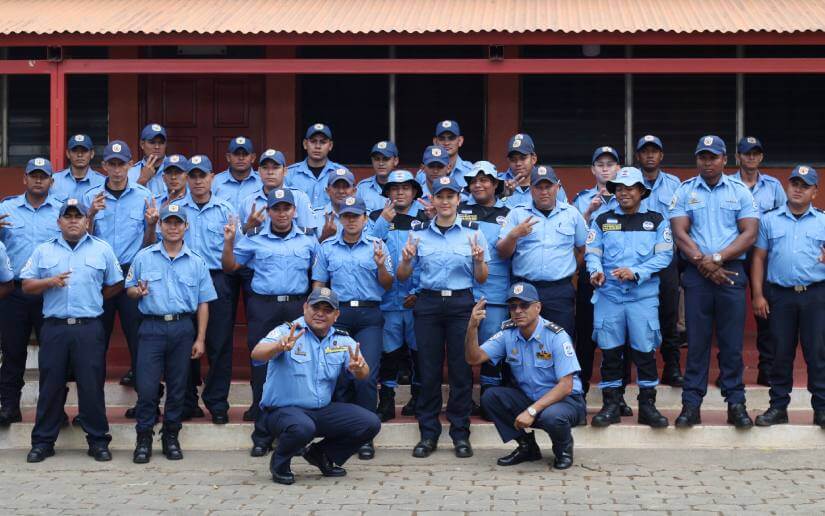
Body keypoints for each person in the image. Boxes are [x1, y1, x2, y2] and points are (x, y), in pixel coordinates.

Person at [21, 198, 123, 462]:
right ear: (59, 222)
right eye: (68, 216)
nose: (74, 221)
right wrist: (49, 281)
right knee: (51, 386)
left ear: (87, 221)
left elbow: (116, 283)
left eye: (78, 216)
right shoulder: (44, 250)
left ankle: (98, 441)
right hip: (54, 328)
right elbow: (26, 285)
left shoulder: (102, 249)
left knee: (91, 386)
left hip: (88, 328)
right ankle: (43, 442)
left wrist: (95, 298)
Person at [396, 175, 489, 459]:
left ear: (459, 200)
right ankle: (428, 433)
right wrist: (406, 260)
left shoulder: (473, 233)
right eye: (440, 196)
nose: (445, 201)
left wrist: (478, 261)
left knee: (461, 370)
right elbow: (403, 276)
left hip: (461, 303)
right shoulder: (419, 234)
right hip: (429, 304)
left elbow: (482, 278)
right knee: (428, 370)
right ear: (432, 200)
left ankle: (460, 433)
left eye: (450, 196)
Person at [670, 135, 759, 429]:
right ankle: (691, 406)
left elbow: (749, 233)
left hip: (730, 272)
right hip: (697, 274)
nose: (707, 162)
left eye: (713, 157)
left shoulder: (739, 191)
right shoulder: (685, 190)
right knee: (696, 344)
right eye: (703, 157)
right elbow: (679, 232)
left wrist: (717, 259)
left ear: (724, 160)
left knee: (731, 345)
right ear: (697, 159)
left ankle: (736, 405)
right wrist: (704, 263)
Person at [251, 287, 380, 485]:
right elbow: (257, 354)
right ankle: (280, 462)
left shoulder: (342, 339)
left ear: (336, 315)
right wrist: (278, 346)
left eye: (327, 310)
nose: (320, 314)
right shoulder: (288, 331)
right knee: (302, 427)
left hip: (320, 410)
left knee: (369, 423)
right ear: (305, 308)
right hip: (282, 412)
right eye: (315, 308)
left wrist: (359, 368)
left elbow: (364, 373)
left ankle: (322, 455)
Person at [222, 188, 320, 438]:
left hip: (296, 306)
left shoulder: (308, 239)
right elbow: (231, 266)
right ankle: (262, 431)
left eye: (286, 208)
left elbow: (319, 273)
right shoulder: (254, 237)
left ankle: (294, 427)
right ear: (269, 211)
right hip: (263, 306)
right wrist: (229, 242)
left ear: (294, 211)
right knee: (261, 364)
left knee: (297, 363)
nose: (281, 213)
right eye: (276, 208)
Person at [126, 203, 217, 463]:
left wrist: (200, 338)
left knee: (178, 387)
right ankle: (144, 437)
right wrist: (137, 292)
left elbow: (204, 302)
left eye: (178, 222)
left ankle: (171, 436)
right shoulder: (144, 257)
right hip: (151, 327)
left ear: (186, 226)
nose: (173, 227)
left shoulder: (196, 261)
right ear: (160, 225)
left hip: (182, 328)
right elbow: (129, 288)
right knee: (147, 387)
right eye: (168, 222)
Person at [585, 167, 673, 427]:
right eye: (619, 188)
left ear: (641, 191)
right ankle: (611, 406)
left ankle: (647, 407)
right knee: (610, 352)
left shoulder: (657, 220)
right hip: (608, 296)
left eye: (630, 188)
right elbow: (592, 252)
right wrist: (595, 271)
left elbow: (664, 256)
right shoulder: (602, 219)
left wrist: (636, 272)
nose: (623, 193)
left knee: (645, 352)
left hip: (642, 297)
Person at [466, 282, 585, 470]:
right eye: (513, 306)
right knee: (490, 397)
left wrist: (532, 411)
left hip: (565, 401)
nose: (518, 311)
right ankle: (527, 447)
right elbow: (474, 358)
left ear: (538, 307)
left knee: (552, 416)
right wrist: (472, 327)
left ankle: (563, 449)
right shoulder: (508, 333)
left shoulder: (556, 336)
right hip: (531, 398)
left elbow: (566, 386)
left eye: (524, 305)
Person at [312, 196, 392, 460]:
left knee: (366, 374)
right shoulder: (327, 247)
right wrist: (315, 315)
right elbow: (319, 284)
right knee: (338, 376)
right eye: (346, 216)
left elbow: (388, 283)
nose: (351, 220)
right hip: (339, 314)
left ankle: (365, 435)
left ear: (365, 219)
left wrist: (380, 266)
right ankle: (340, 434)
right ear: (339, 218)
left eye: (356, 216)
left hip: (369, 314)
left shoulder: (377, 245)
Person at [83, 140, 158, 403]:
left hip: (130, 273)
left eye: (121, 164)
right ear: (104, 166)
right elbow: (81, 241)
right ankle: (92, 407)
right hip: (100, 276)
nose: (117, 170)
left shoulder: (144, 196)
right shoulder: (91, 197)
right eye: (112, 164)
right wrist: (90, 214)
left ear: (130, 165)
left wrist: (151, 225)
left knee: (139, 341)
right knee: (95, 342)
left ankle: (145, 405)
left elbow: (150, 244)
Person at [751, 166, 825, 427]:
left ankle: (822, 408)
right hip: (780, 296)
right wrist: (758, 295)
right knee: (780, 353)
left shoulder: (823, 221)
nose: (798, 189)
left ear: (814, 192)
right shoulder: (769, 220)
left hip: (815, 295)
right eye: (794, 184)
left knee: (817, 353)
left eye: (805, 186)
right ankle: (778, 407)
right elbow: (758, 258)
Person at [172, 155, 238, 424]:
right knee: (183, 341)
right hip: (182, 278)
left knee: (219, 343)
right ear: (187, 178)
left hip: (217, 278)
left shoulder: (226, 209)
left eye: (203, 175)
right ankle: (187, 401)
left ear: (212, 177)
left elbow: (236, 251)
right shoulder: (176, 209)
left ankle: (217, 402)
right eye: (193, 176)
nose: (198, 181)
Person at [0, 158, 62, 426]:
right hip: (15, 292)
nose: (38, 180)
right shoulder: (6, 208)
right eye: (33, 175)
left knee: (54, 355)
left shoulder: (62, 211)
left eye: (43, 176)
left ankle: (54, 411)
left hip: (49, 292)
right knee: (12, 351)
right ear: (24, 178)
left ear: (51, 181)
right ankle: (9, 406)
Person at [368, 170, 428, 422]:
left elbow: (430, 258)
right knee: (389, 354)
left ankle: (418, 398)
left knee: (419, 354)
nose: (400, 192)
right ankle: (387, 401)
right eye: (395, 188)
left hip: (416, 301)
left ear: (414, 191)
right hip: (388, 301)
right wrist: (383, 221)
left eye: (405, 188)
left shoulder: (425, 217)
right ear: (388, 192)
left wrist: (417, 291)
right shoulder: (375, 217)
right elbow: (368, 248)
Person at [498, 166, 586, 337]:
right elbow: (502, 253)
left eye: (548, 186)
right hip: (524, 289)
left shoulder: (572, 214)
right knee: (521, 341)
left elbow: (583, 249)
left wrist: (570, 271)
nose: (544, 192)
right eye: (539, 187)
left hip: (559, 291)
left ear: (558, 187)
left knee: (561, 340)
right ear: (531, 189)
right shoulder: (517, 214)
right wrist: (514, 235)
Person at [732, 136, 787, 386]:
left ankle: (767, 368)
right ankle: (730, 370)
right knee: (731, 315)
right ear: (738, 157)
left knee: (766, 312)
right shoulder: (728, 184)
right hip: (734, 255)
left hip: (764, 256)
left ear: (761, 157)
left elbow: (783, 217)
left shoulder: (773, 186)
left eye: (755, 153)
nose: (751, 157)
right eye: (747, 153)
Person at [572, 146, 624, 401]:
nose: (605, 169)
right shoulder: (582, 199)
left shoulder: (628, 196)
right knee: (585, 332)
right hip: (589, 273)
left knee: (619, 334)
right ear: (593, 169)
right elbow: (573, 239)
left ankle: (618, 395)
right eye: (600, 164)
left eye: (610, 164)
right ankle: (579, 390)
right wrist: (588, 212)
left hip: (619, 272)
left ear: (618, 169)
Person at [458, 161, 511, 414]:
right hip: (463, 291)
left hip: (496, 294)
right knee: (462, 348)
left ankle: (490, 402)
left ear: (495, 184)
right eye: (474, 181)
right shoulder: (459, 211)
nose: (478, 185)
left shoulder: (509, 213)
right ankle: (463, 400)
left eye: (484, 180)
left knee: (493, 350)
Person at [636, 135, 684, 387]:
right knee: (639, 315)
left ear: (661, 155)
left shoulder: (675, 184)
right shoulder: (630, 181)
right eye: (645, 151)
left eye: (654, 151)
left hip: (665, 259)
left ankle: (672, 367)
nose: (650, 155)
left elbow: (682, 219)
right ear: (638, 156)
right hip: (637, 260)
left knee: (669, 314)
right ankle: (644, 369)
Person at [238, 149, 316, 236]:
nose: (270, 172)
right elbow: (238, 238)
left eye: (275, 168)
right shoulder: (248, 202)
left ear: (285, 171)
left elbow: (309, 236)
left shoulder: (299, 198)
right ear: (259, 171)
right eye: (265, 168)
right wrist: (248, 227)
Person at [499, 133, 567, 208]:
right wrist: (501, 195)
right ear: (508, 161)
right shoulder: (497, 182)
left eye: (523, 158)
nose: (518, 163)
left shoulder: (551, 183)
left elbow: (565, 212)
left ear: (533, 158)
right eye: (513, 159)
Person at [285, 123, 343, 209]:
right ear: (305, 144)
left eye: (322, 142)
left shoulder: (341, 173)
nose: (317, 146)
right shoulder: (290, 174)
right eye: (313, 141)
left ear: (330, 146)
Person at [415, 120, 473, 188]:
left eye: (451, 138)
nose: (446, 143)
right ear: (435, 142)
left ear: (460, 141)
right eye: (442, 138)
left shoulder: (470, 171)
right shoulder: (422, 174)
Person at [212, 136, 262, 212]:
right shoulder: (215, 182)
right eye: (236, 154)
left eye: (245, 154)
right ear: (228, 157)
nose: (241, 158)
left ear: (253, 158)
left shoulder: (262, 181)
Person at [51, 134, 105, 201]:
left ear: (92, 154)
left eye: (84, 150)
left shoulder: (102, 182)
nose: (79, 155)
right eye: (75, 151)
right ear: (68, 153)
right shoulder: (55, 180)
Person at [314, 167, 358, 242]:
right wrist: (324, 237)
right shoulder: (314, 216)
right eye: (336, 186)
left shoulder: (363, 216)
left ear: (354, 191)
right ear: (327, 190)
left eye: (346, 186)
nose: (341, 191)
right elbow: (307, 248)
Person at [127, 123, 169, 197]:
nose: (157, 147)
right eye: (152, 142)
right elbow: (127, 201)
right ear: (142, 144)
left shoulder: (177, 169)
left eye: (161, 143)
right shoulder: (130, 172)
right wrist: (143, 180)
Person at [356, 140, 399, 211]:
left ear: (395, 161)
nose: (381, 163)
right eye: (377, 159)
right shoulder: (362, 187)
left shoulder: (404, 187)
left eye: (385, 159)